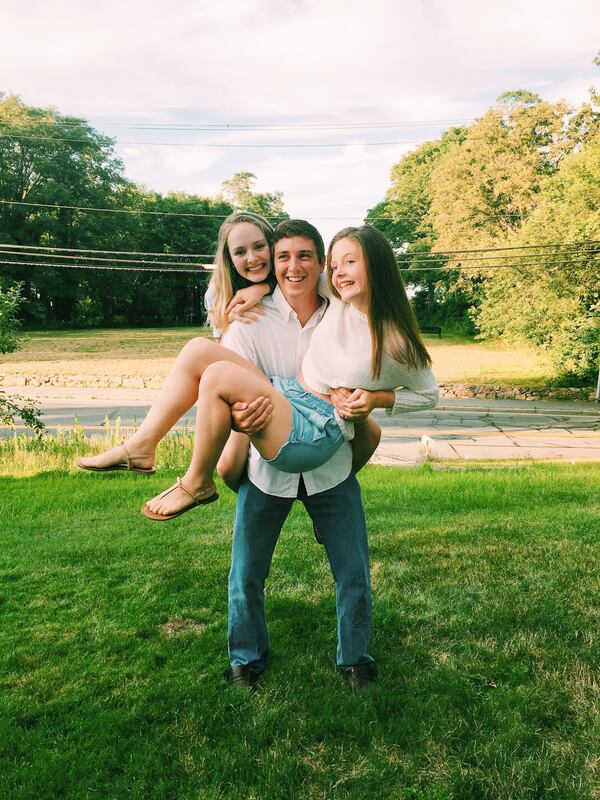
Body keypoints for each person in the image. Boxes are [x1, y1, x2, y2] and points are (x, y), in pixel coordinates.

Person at [77, 218, 438, 691]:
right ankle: (245, 659)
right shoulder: (250, 318)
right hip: (270, 459)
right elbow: (222, 386)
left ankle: (357, 660)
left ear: (319, 263)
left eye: (307, 257)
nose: (294, 267)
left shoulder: (340, 301)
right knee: (246, 572)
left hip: (326, 458)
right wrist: (242, 419)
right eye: (282, 258)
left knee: (352, 570)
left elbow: (412, 369)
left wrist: (375, 400)